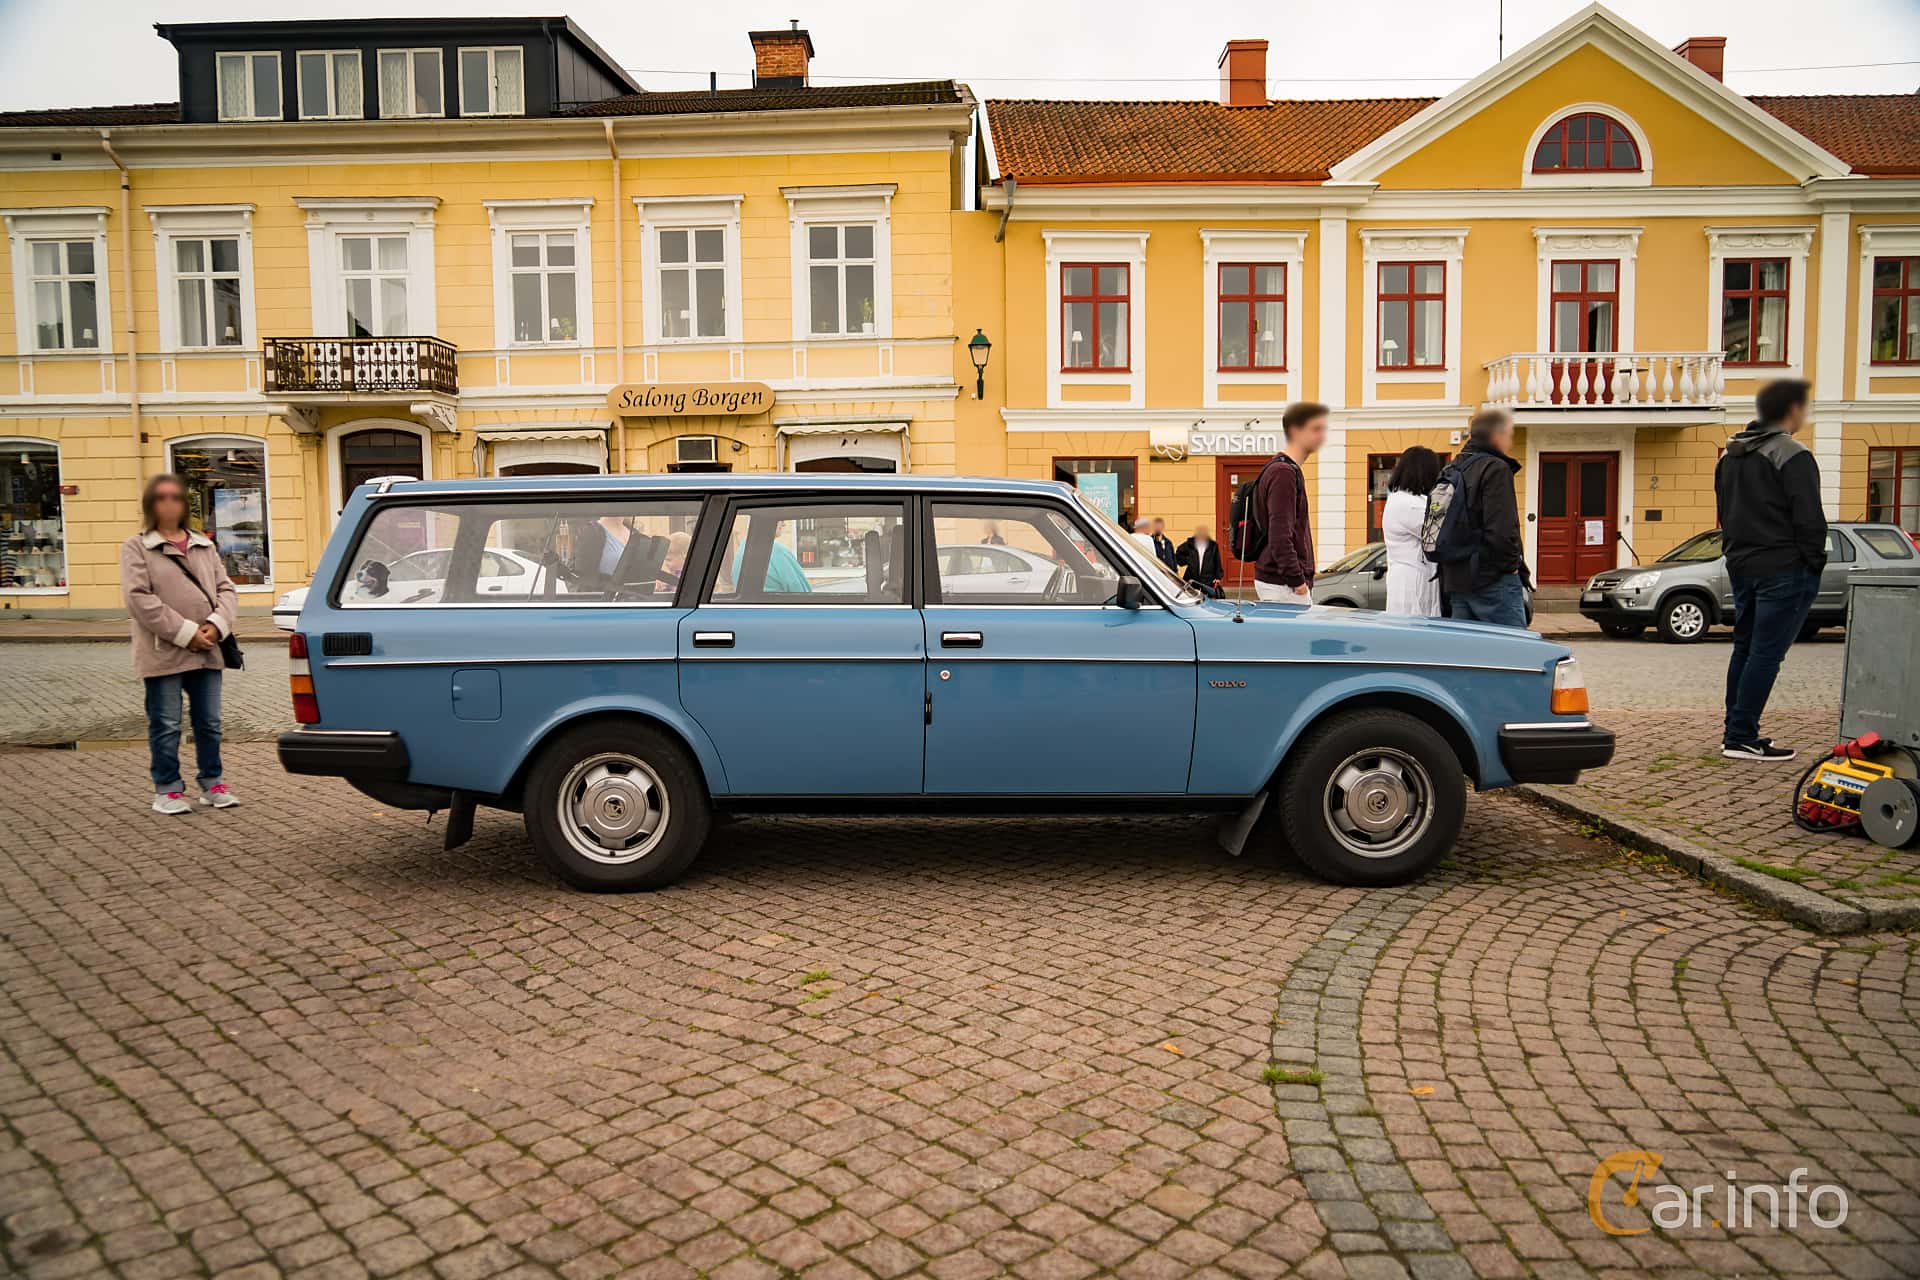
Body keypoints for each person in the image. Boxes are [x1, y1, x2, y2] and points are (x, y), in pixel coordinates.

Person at [1716, 379, 1827, 762]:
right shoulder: (1792, 455)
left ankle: (1735, 731)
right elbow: (1810, 518)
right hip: (1784, 568)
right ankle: (1742, 736)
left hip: (1742, 564)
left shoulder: (1729, 457)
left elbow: (1724, 514)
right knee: (1766, 653)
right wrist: (1813, 565)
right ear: (1792, 410)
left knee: (1745, 648)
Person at [120, 473, 239, 816]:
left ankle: (212, 782)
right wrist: (188, 634)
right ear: (150, 504)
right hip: (164, 651)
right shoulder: (137, 547)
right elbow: (139, 599)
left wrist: (216, 627)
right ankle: (168, 789)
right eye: (161, 497)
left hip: (209, 651)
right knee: (166, 723)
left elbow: (226, 589)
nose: (169, 503)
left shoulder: (204, 544)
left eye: (175, 497)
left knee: (209, 722)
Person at [1439, 409, 1529, 627]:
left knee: (1468, 653)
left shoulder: (1453, 467)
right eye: (1509, 435)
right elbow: (1502, 529)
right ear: (1497, 436)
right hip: (1492, 579)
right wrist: (1511, 567)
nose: (1509, 442)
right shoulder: (1495, 468)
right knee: (1514, 651)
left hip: (1457, 576)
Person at [1253, 401, 1328, 602]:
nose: (1322, 436)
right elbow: (1280, 535)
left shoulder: (1283, 469)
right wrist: (1298, 582)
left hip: (1281, 582)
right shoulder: (1283, 473)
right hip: (1284, 586)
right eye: (1315, 429)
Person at [1382, 447, 1443, 617]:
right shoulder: (1409, 505)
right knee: (1416, 630)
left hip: (1410, 576)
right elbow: (1439, 533)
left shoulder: (1399, 500)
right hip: (1414, 579)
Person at [1175, 524, 1224, 597]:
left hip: (1208, 580)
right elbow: (1179, 553)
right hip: (1192, 579)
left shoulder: (1213, 546)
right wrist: (1187, 560)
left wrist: (1218, 577)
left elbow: (1217, 561)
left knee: (1207, 601)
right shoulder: (1190, 544)